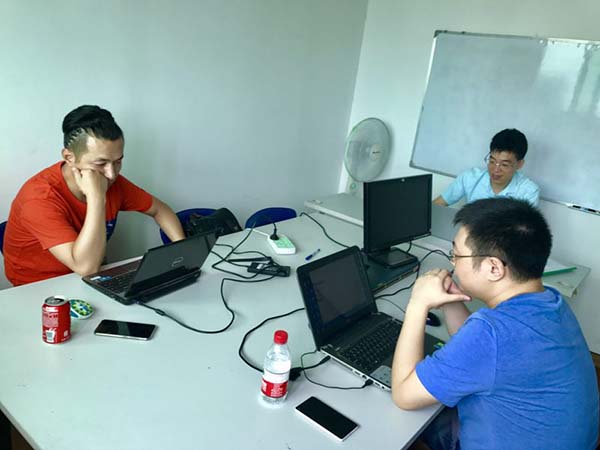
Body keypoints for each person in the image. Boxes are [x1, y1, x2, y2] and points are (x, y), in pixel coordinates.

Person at [391, 198, 598, 449]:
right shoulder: (552, 302)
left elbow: (404, 395)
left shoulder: (491, 334)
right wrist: (450, 300)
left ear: (493, 268)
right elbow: (484, 351)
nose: (452, 263)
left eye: (456, 255)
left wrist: (417, 303)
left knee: (405, 422)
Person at [4, 105, 185, 286]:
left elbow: (160, 210)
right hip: (37, 287)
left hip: (92, 276)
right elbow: (86, 268)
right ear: (69, 158)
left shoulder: (112, 181)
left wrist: (182, 254)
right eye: (100, 163)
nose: (111, 174)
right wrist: (97, 197)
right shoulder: (38, 198)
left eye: (118, 162)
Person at [433, 128, 540, 207]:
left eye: (504, 165)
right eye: (492, 161)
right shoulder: (470, 177)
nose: (495, 170)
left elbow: (523, 229)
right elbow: (437, 204)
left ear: (519, 164)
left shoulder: (528, 192)